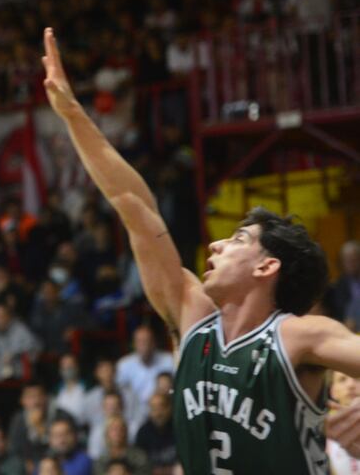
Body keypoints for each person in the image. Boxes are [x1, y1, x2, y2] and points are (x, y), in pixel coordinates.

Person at [41, 26, 360, 473]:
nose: (216, 244)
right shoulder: (191, 317)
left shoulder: (298, 336)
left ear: (268, 266)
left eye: (238, 240)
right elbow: (133, 206)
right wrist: (73, 114)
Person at [115, 325, 173, 432]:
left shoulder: (169, 361)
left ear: (154, 342)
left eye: (147, 341)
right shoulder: (124, 365)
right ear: (134, 344)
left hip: (165, 414)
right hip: (134, 416)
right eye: (140, 341)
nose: (144, 345)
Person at [326, 371, 360, 475]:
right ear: (333, 391)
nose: (351, 385)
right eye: (342, 380)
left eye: (357, 378)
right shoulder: (322, 430)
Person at [133, 394, 176, 475]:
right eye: (153, 409)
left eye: (161, 407)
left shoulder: (178, 428)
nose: (158, 413)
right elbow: (138, 463)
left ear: (169, 408)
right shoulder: (143, 432)